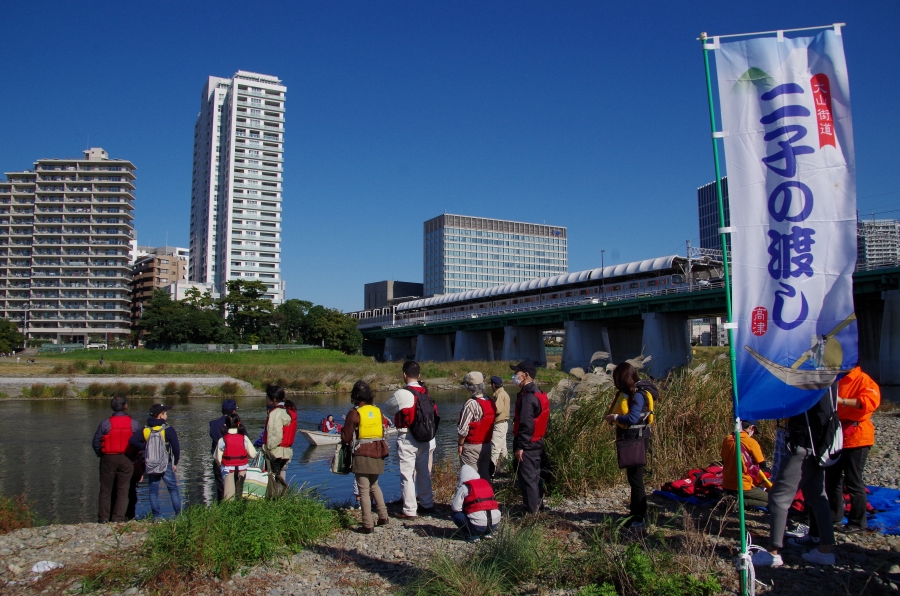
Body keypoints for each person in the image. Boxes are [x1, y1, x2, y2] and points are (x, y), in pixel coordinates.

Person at [797, 366, 881, 546]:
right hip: (837, 434)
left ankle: (857, 522)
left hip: (857, 436)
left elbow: (869, 402)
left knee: (853, 480)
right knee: (833, 479)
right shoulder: (835, 378)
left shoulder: (863, 380)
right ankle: (834, 515)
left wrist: (842, 401)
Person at [752, 391, 837, 567]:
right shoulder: (829, 379)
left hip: (803, 443)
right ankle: (826, 550)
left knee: (778, 497)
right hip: (821, 444)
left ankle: (772, 552)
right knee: (817, 496)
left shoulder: (809, 379)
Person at [382, 360, 437, 519]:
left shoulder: (402, 394)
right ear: (419, 375)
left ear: (404, 375)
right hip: (426, 438)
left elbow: (388, 408)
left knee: (407, 474)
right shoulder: (426, 392)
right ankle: (427, 504)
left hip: (407, 436)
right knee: (423, 473)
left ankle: (410, 509)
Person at [604, 362, 651, 529]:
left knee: (636, 480)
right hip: (633, 440)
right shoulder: (633, 393)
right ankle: (634, 513)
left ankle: (639, 518)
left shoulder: (638, 395)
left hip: (637, 441)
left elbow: (632, 418)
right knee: (633, 479)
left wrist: (615, 418)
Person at [342, 380, 390, 533]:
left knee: (363, 489)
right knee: (374, 485)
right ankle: (383, 516)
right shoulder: (377, 410)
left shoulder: (354, 412)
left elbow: (346, 437)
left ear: (355, 395)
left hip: (362, 452)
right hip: (378, 450)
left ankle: (367, 524)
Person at [91, 396, 141, 523]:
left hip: (108, 458)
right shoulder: (133, 423)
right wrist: (136, 458)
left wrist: (101, 455)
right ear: (126, 406)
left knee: (105, 490)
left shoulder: (105, 423)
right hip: (127, 459)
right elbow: (140, 442)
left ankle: (103, 518)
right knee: (123, 490)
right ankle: (118, 518)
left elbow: (96, 442)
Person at [129, 403, 183, 518]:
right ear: (161, 416)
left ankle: (157, 517)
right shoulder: (168, 429)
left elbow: (133, 441)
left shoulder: (145, 429)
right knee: (173, 489)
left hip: (151, 464)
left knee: (153, 491)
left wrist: (146, 448)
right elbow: (176, 448)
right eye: (165, 413)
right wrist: (175, 462)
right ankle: (179, 515)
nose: (167, 414)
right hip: (166, 464)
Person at [511, 359, 550, 514]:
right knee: (535, 477)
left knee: (528, 479)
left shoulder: (528, 397)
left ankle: (531, 512)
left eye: (516, 373)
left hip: (528, 445)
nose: (514, 376)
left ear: (525, 375)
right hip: (537, 443)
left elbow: (526, 425)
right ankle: (538, 506)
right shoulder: (538, 392)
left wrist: (520, 446)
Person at [720, 420, 769, 509]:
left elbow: (723, 460)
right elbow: (762, 464)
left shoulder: (727, 439)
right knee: (773, 500)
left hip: (726, 484)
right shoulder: (751, 442)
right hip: (743, 485)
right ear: (751, 428)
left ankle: (733, 499)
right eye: (753, 431)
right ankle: (740, 503)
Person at [457, 371, 496, 480]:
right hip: (487, 445)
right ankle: (488, 496)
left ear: (469, 387)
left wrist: (460, 444)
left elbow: (463, 430)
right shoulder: (490, 401)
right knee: (485, 476)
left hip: (471, 447)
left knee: (470, 478)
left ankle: (473, 497)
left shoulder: (471, 403)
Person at [209, 399, 247, 502]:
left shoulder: (214, 424)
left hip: (219, 460)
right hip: (238, 462)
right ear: (234, 411)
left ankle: (221, 509)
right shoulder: (239, 425)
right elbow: (245, 440)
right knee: (238, 487)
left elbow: (214, 438)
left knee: (221, 489)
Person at [451, 464, 501, 542]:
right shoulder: (486, 484)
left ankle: (473, 535)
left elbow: (455, 508)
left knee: (455, 514)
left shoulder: (464, 487)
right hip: (494, 523)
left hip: (478, 526)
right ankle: (488, 533)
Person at [215, 413, 258, 500]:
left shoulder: (222, 439)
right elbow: (253, 454)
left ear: (226, 425)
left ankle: (229, 510)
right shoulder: (244, 438)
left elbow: (217, 458)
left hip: (228, 469)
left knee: (228, 497)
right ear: (239, 424)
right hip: (242, 468)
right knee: (243, 495)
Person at [263, 385, 297, 482]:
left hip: (276, 452)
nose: (265, 399)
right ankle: (281, 496)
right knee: (281, 477)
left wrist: (268, 449)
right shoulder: (288, 410)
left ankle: (274, 496)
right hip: (286, 451)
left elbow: (275, 434)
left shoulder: (276, 412)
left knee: (273, 479)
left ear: (273, 399)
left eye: (267, 397)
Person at [489, 376, 510, 472]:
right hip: (504, 424)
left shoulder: (500, 395)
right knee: (502, 449)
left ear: (493, 385)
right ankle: (504, 469)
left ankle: (491, 472)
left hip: (499, 425)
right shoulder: (504, 393)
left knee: (495, 449)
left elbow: (497, 409)